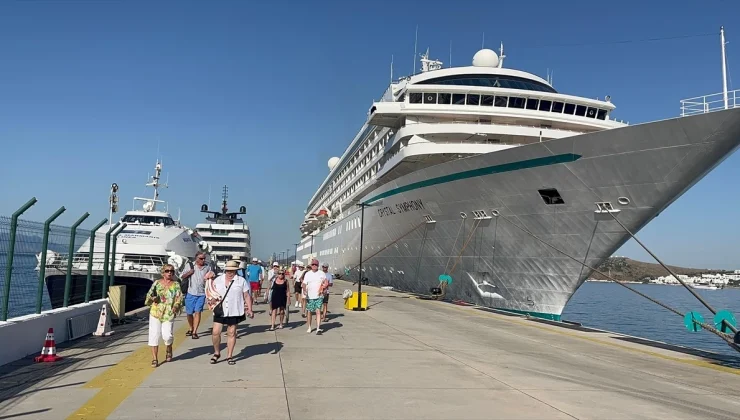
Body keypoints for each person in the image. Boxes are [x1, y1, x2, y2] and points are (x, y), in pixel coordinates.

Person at [206, 260, 253, 365]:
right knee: (215, 332)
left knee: (231, 333)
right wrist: (211, 299)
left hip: (234, 310)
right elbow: (210, 292)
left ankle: (229, 356)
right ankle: (217, 353)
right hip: (220, 310)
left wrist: (249, 309)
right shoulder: (218, 280)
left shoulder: (241, 281)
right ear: (225, 270)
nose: (230, 272)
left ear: (236, 271)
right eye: (228, 270)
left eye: (232, 271)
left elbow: (246, 296)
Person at [145, 264, 184, 367]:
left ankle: (169, 348)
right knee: (154, 335)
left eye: (172, 271)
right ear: (163, 273)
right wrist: (152, 299)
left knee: (167, 335)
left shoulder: (176, 284)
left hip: (169, 312)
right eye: (167, 271)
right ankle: (155, 358)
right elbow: (149, 295)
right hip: (156, 312)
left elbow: (179, 298)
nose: (169, 273)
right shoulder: (157, 283)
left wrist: (176, 306)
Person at [179, 251, 215, 339]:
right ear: (196, 258)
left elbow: (212, 276)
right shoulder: (190, 265)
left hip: (202, 293)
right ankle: (191, 328)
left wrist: (211, 277)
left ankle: (195, 331)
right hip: (190, 292)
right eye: (201, 258)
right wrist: (189, 273)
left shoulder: (207, 267)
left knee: (198, 312)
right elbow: (181, 276)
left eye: (204, 258)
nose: (203, 260)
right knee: (189, 313)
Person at [302, 259, 327, 334]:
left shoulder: (321, 273)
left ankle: (318, 328)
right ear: (311, 265)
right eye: (313, 265)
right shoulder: (307, 274)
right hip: (310, 296)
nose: (314, 266)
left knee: (318, 311)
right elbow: (304, 284)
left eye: (315, 265)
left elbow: (326, 282)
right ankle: (309, 327)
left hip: (319, 295)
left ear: (318, 266)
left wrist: (324, 288)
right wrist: (304, 289)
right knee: (309, 312)